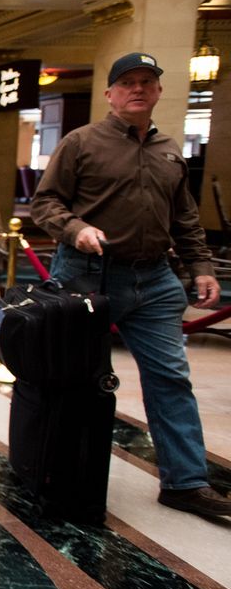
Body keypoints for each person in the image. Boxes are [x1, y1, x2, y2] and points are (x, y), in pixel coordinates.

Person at [31, 51, 229, 518]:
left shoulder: (169, 151)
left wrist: (201, 265)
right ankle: (54, 471)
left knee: (171, 378)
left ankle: (185, 482)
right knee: (71, 380)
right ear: (110, 94)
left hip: (156, 278)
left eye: (146, 82)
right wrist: (76, 227)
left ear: (159, 91)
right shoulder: (81, 143)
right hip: (89, 276)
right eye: (128, 83)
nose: (137, 89)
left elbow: (184, 217)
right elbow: (46, 203)